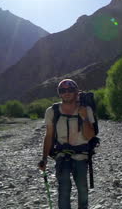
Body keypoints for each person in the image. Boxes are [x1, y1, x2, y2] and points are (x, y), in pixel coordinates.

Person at [38, 79, 96, 209]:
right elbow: (49, 135)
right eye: (63, 90)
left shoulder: (86, 109)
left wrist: (84, 117)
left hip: (81, 155)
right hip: (61, 155)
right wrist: (44, 159)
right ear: (59, 93)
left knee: (82, 189)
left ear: (76, 92)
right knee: (63, 189)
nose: (67, 93)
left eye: (70, 90)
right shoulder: (52, 111)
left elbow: (89, 135)